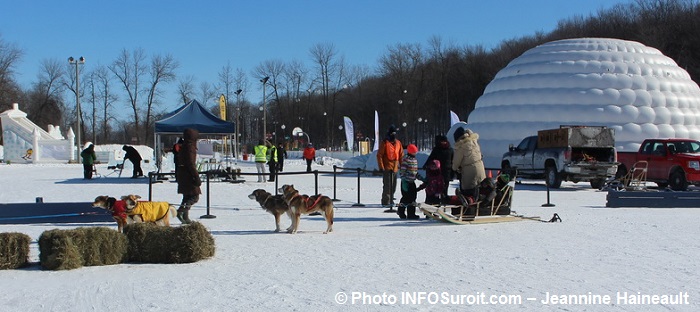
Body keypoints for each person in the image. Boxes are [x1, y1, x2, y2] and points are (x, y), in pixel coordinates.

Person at [451, 127, 486, 203]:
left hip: (469, 171)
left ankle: (469, 205)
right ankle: (481, 206)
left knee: (469, 190)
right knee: (481, 188)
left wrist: (454, 168)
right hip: (480, 168)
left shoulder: (460, 146)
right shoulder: (474, 142)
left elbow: (455, 164)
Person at [176, 128, 202, 224]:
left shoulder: (185, 146)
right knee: (194, 196)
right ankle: (181, 211)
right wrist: (196, 176)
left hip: (183, 174)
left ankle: (185, 217)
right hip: (188, 175)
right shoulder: (190, 147)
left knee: (187, 196)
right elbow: (190, 163)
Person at [376, 125, 403, 210]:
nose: (393, 135)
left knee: (394, 186)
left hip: (395, 168)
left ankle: (391, 200)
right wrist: (381, 167)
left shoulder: (398, 143)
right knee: (387, 186)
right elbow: (379, 155)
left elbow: (401, 155)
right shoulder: (384, 143)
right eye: (392, 133)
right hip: (387, 167)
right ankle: (385, 201)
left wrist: (403, 166)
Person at [424, 135, 453, 200]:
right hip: (437, 171)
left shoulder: (450, 150)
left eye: (444, 141)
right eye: (442, 141)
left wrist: (453, 172)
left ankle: (444, 200)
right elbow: (431, 157)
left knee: (445, 187)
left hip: (447, 171)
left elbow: (453, 160)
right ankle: (434, 200)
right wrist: (426, 164)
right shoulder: (436, 149)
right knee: (436, 187)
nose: (443, 143)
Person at [398, 144, 421, 219]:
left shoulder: (414, 160)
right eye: (414, 152)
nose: (415, 153)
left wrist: (420, 177)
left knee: (413, 198)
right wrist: (404, 181)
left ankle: (411, 214)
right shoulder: (406, 159)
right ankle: (401, 211)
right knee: (406, 198)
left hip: (412, 181)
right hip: (406, 182)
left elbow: (414, 171)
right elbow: (402, 171)